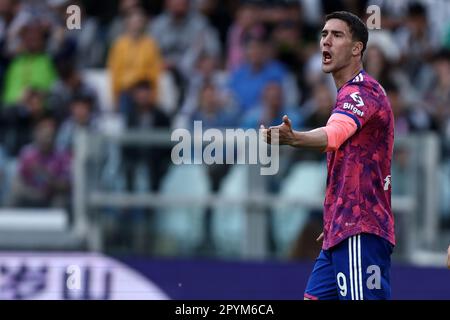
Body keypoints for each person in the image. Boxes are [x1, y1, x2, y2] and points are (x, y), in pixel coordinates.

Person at [262, 11, 395, 300]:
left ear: (357, 48)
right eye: (323, 34)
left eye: (337, 35)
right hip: (340, 229)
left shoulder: (363, 92)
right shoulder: (347, 94)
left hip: (360, 231)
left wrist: (294, 139)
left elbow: (333, 135)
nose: (326, 41)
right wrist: (335, 217)